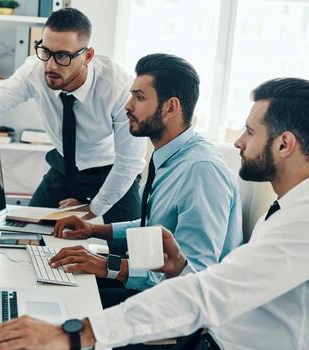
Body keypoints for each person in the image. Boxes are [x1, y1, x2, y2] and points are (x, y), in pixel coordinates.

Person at [0, 77, 309, 350]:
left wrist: (74, 335)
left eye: (249, 131)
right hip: (205, 331)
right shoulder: (288, 207)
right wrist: (178, 268)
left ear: (285, 144)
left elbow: (212, 290)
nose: (238, 143)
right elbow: (229, 283)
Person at [50, 53, 243, 308]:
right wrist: (96, 230)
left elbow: (194, 273)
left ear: (171, 107)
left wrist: (108, 265)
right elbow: (154, 226)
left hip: (177, 307)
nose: (127, 106)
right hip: (153, 287)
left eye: (139, 97)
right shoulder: (170, 156)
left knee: (65, 305)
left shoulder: (200, 171)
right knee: (58, 283)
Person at [0, 8, 146, 224]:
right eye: (45, 51)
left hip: (111, 171)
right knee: (23, 231)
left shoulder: (118, 88)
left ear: (87, 56)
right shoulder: (35, 70)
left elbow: (130, 161)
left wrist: (92, 209)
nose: (50, 65)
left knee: (127, 246)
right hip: (64, 168)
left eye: (62, 56)